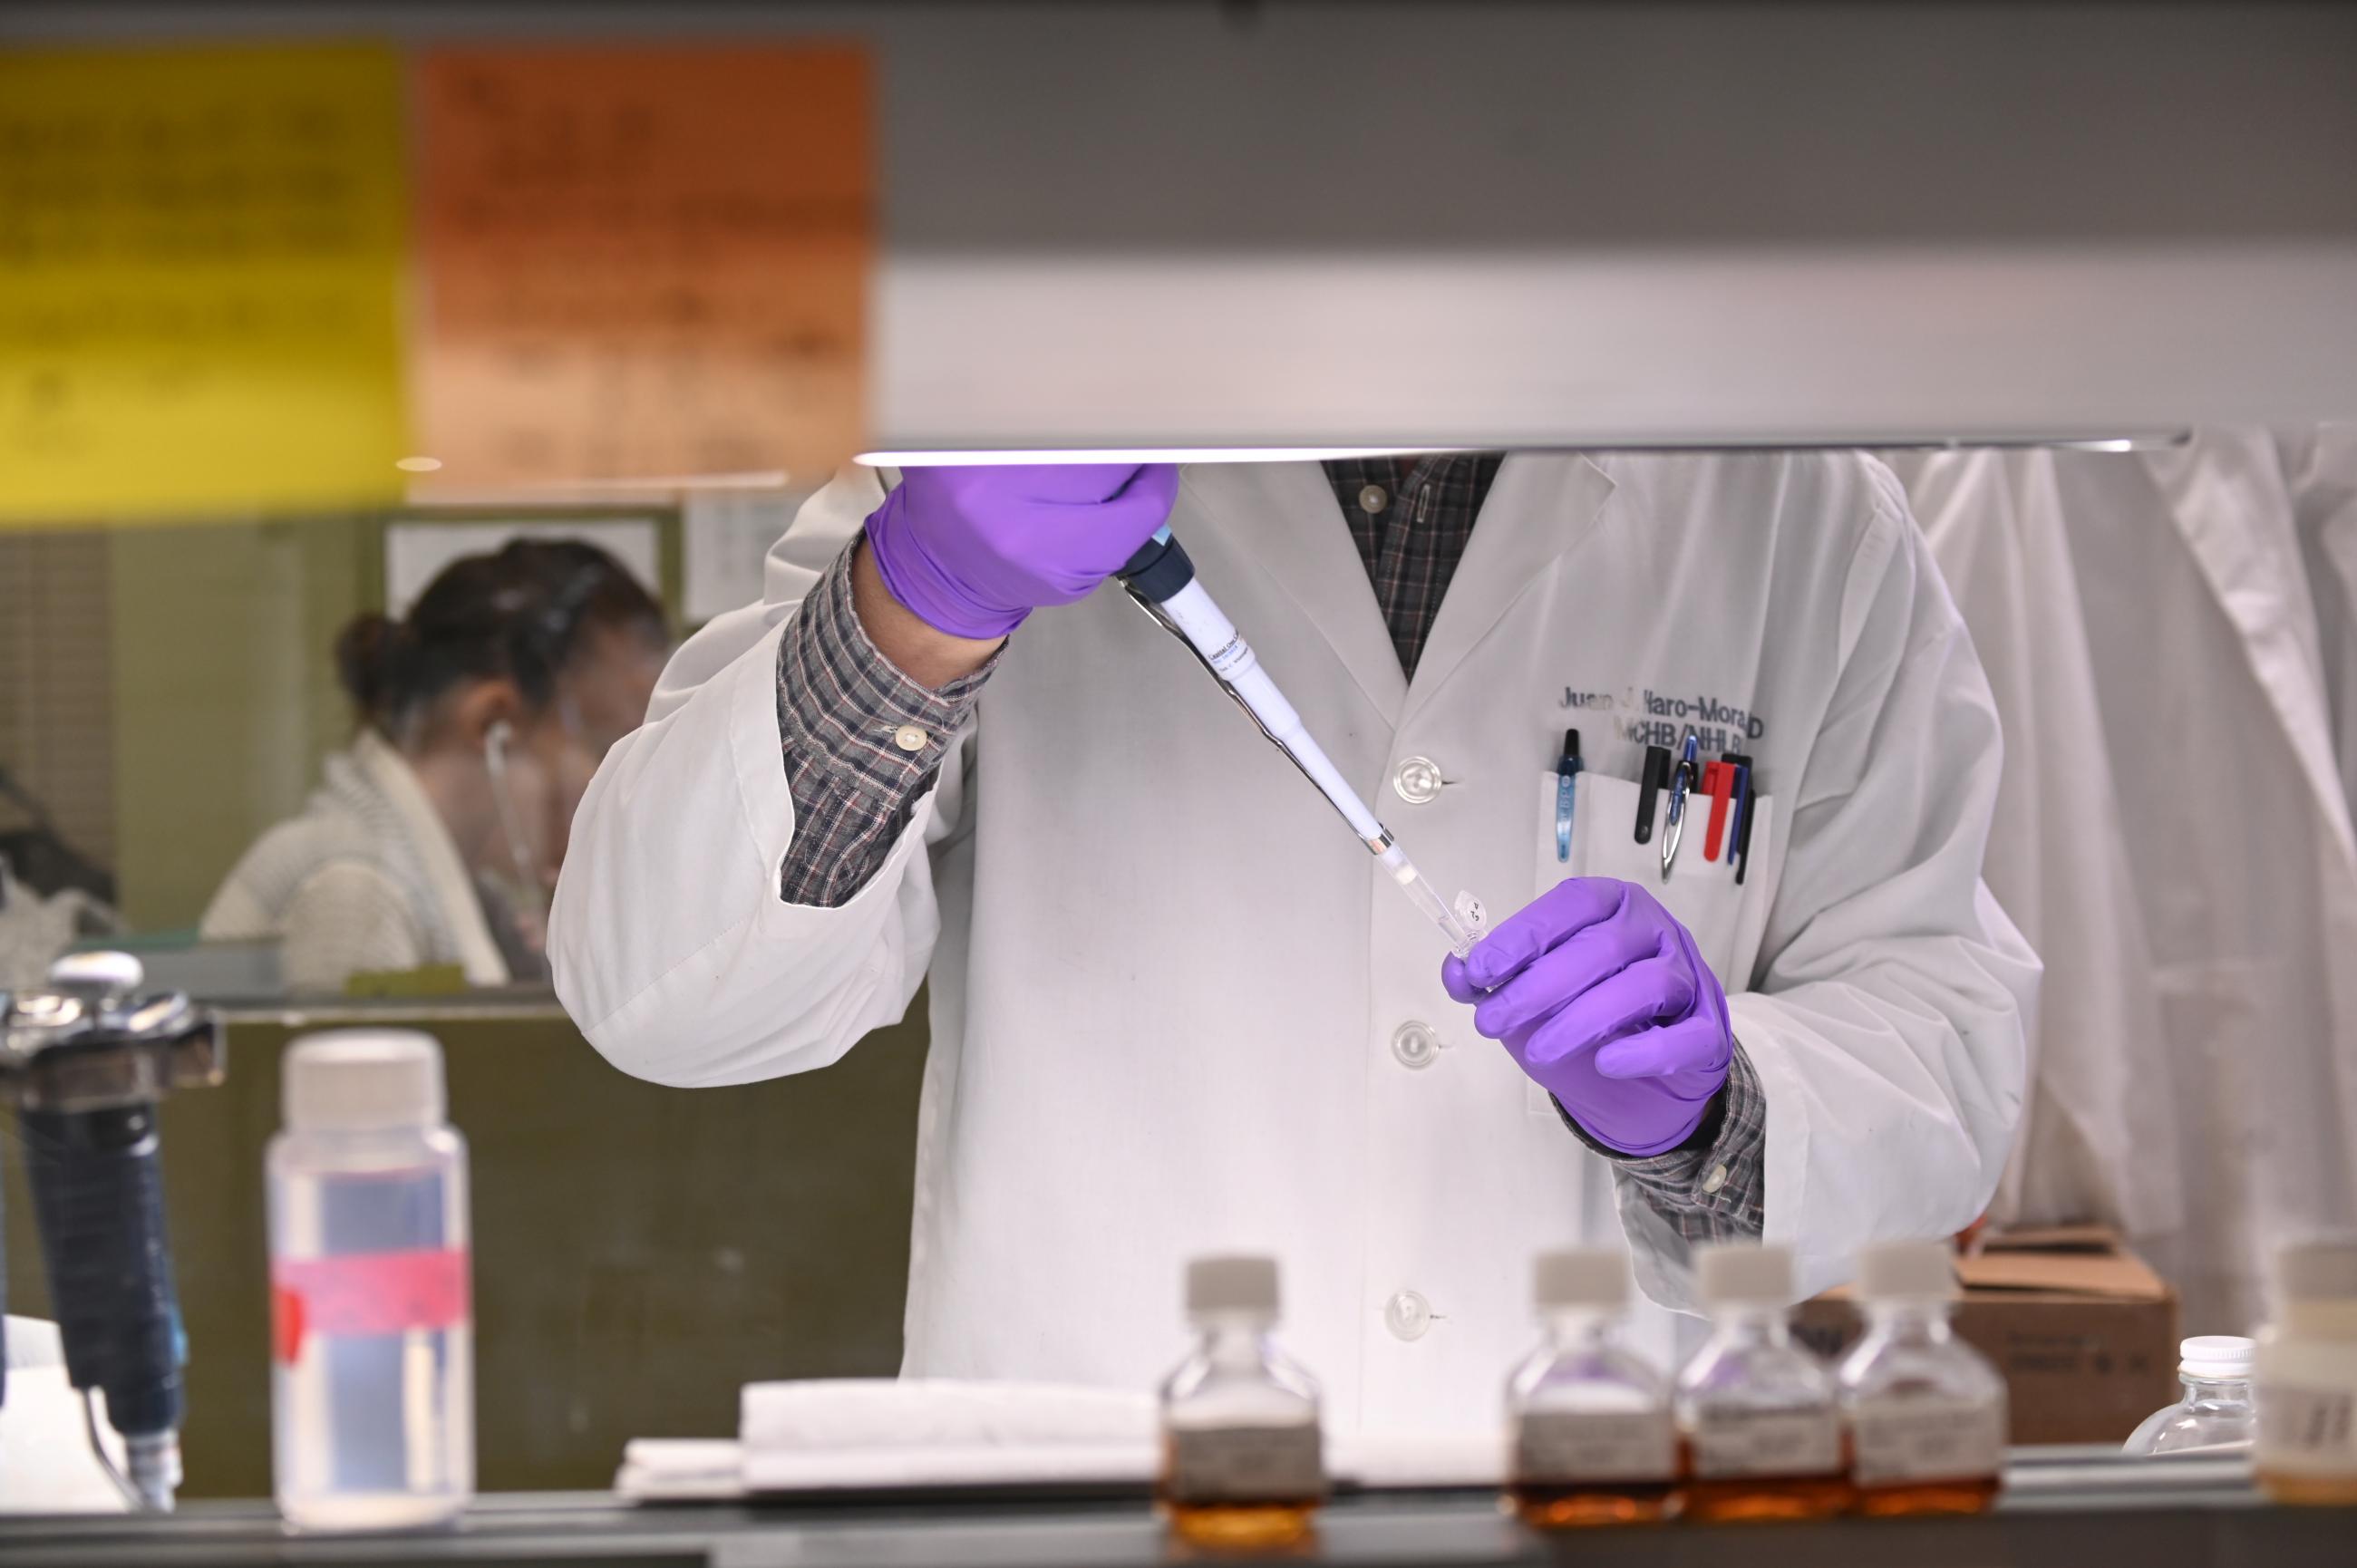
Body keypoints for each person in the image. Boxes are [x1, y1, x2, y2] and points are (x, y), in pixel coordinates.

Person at [551, 455, 2036, 1434]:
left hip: (1593, 1490)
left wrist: (1718, 1108)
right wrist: (910, 605)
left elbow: (1942, 1041)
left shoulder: (1791, 509)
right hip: (1099, 1499)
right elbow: (662, 986)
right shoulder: (1001, 453)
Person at [205, 538, 666, 993]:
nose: (624, 787)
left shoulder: (463, 890)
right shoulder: (357, 892)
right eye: (609, 747)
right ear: (493, 722)